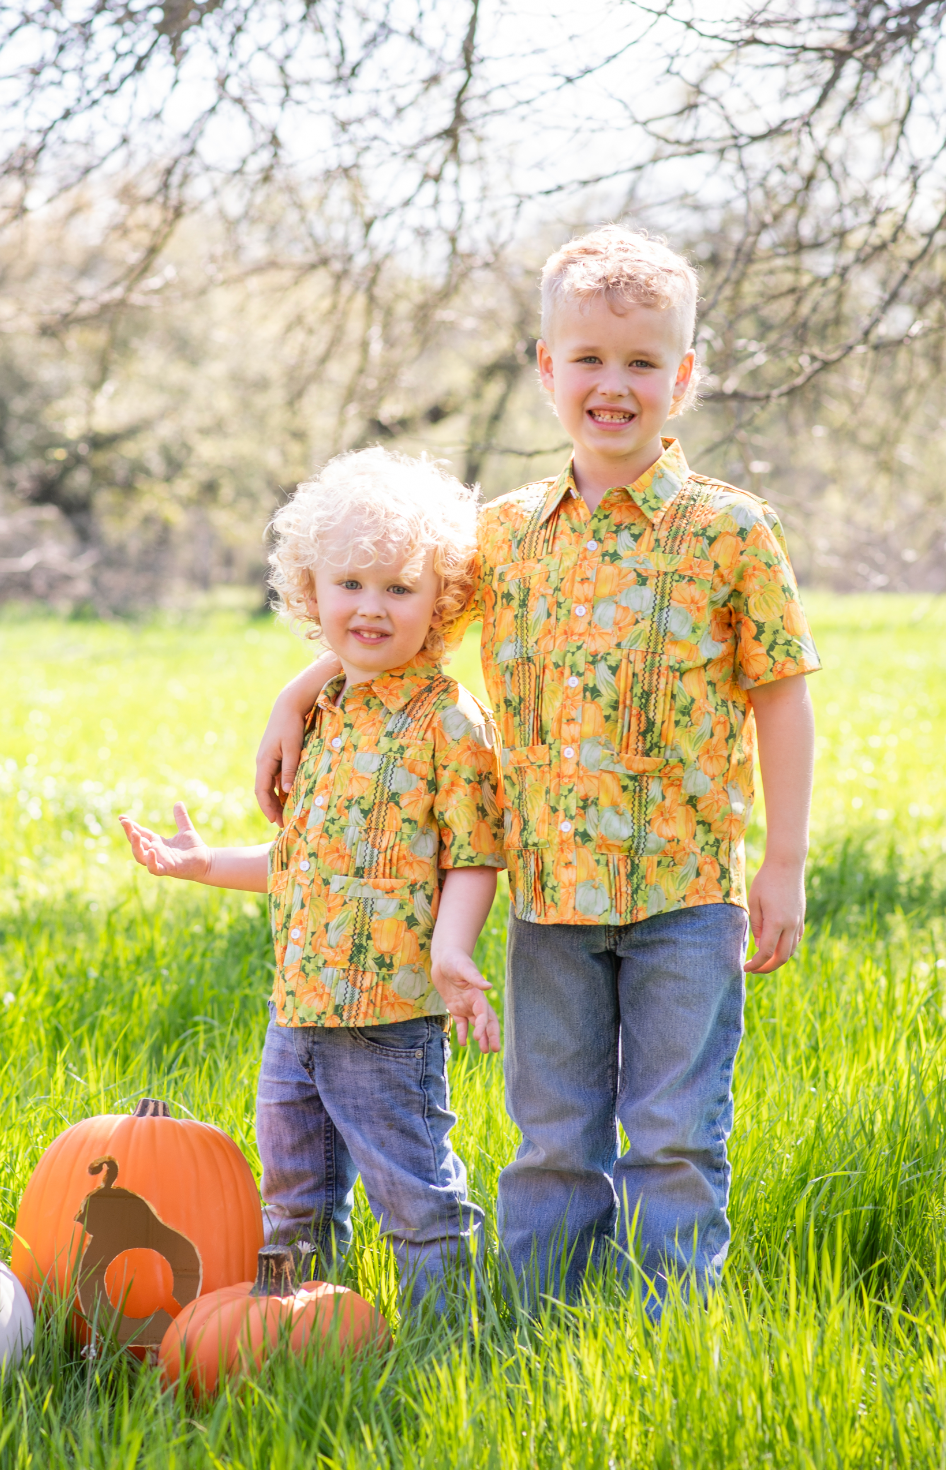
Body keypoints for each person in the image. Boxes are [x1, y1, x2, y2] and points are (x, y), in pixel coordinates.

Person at [254, 226, 820, 1309]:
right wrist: (303, 686)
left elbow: (780, 696)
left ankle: (667, 1334)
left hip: (686, 893)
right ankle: (537, 1328)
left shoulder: (730, 533)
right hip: (547, 895)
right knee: (551, 1137)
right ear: (544, 366)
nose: (613, 385)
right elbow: (395, 631)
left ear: (683, 377)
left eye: (642, 362)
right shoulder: (503, 536)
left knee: (672, 1139)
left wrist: (780, 866)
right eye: (588, 359)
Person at [120, 447, 505, 1309]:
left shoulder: (449, 721)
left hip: (388, 1017)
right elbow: (305, 867)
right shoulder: (324, 714)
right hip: (295, 1011)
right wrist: (201, 864)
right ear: (311, 590)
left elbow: (476, 854)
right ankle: (302, 1338)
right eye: (351, 584)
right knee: (293, 1201)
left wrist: (452, 948)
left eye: (400, 589)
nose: (371, 607)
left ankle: (449, 1338)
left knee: (418, 1197)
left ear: (439, 602)